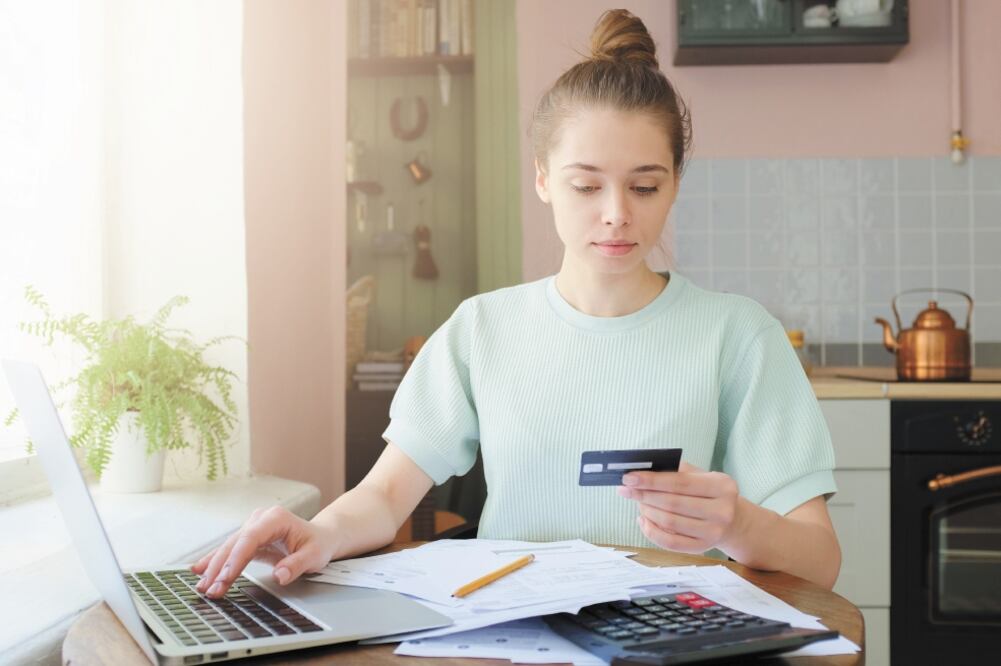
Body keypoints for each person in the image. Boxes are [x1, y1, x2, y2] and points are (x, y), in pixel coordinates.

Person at [192, 8, 841, 599]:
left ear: (674, 184)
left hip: (670, 640)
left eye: (644, 186)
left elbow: (820, 559)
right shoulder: (482, 330)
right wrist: (319, 532)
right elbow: (385, 495)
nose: (616, 214)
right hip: (513, 638)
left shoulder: (737, 336)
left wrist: (736, 525)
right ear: (542, 179)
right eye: (585, 186)